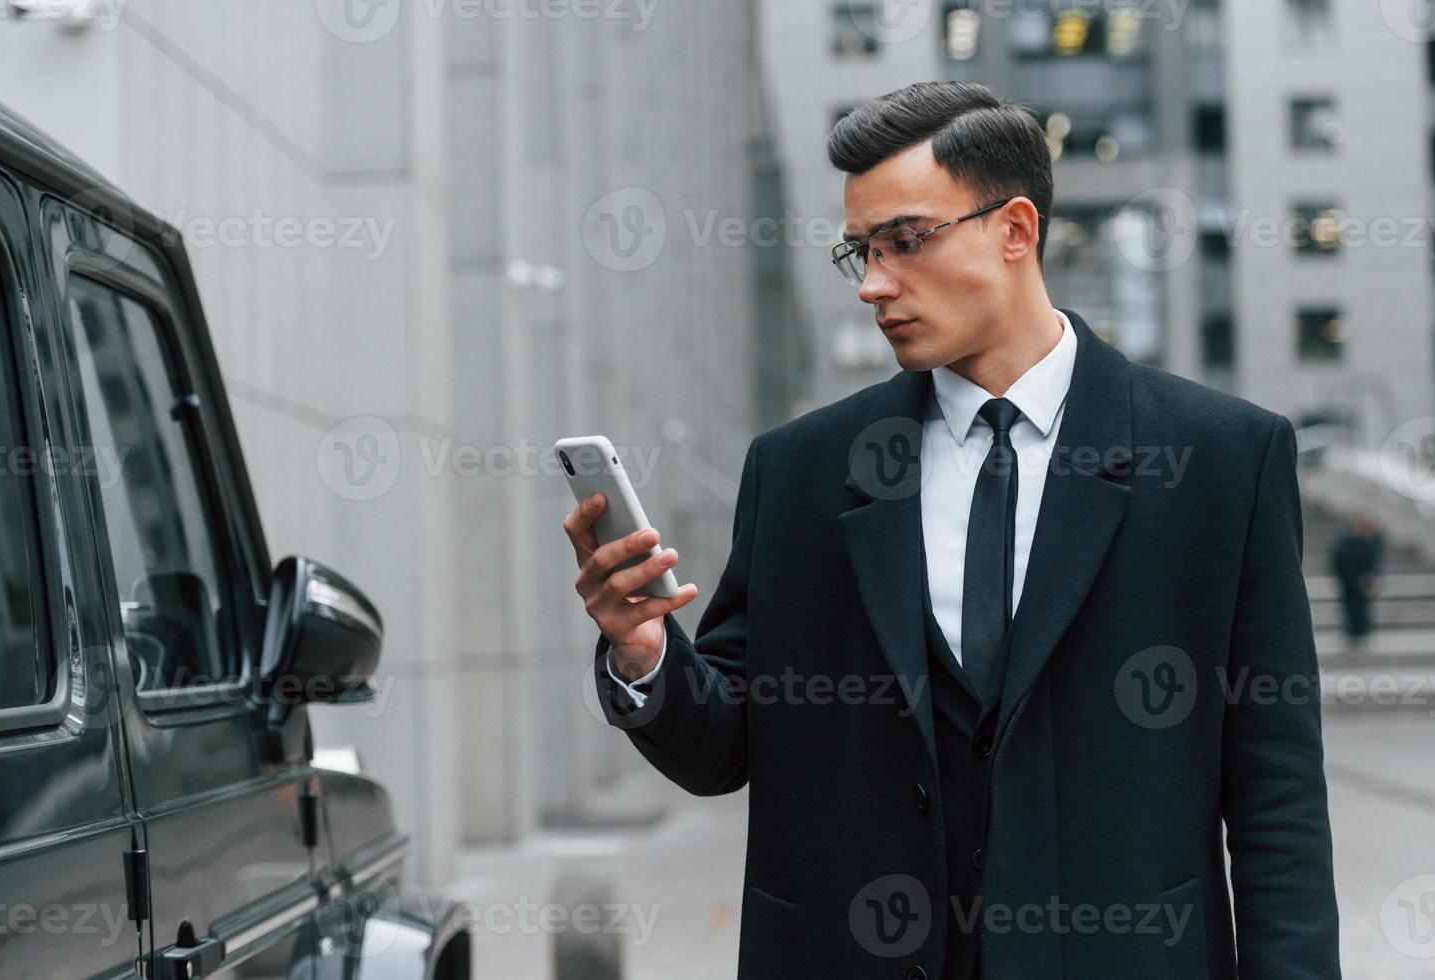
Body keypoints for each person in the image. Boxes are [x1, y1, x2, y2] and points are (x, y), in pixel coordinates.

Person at [562, 82, 1340, 979]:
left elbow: (1278, 794)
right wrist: (645, 652)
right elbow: (729, 743)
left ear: (1015, 229)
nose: (875, 284)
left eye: (904, 241)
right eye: (860, 251)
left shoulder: (1221, 459)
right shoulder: (803, 471)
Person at [1330, 511, 1383, 656]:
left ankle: (1360, 637)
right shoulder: (1346, 542)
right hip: (1349, 583)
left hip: (1362, 583)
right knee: (1351, 609)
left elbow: (1375, 563)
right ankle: (1353, 637)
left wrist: (1371, 577)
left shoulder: (1370, 543)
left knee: (1362, 610)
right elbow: (1339, 562)